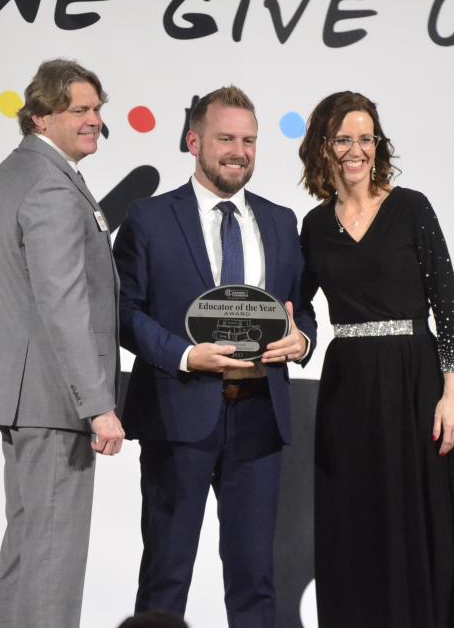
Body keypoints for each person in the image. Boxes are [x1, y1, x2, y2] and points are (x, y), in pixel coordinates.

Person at [113, 85, 315, 628]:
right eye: (226, 138)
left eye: (249, 140)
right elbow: (123, 312)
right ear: (194, 141)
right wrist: (183, 356)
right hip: (178, 416)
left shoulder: (279, 221)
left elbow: (302, 310)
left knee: (255, 579)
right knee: (165, 576)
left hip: (258, 416)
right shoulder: (148, 218)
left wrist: (303, 342)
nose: (239, 151)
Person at [297, 91, 454, 627]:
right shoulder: (314, 227)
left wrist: (453, 395)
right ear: (323, 147)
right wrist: (296, 340)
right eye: (344, 139)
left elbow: (446, 309)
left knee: (417, 513)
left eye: (366, 138)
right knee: (355, 515)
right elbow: (302, 311)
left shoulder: (411, 208)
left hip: (415, 381)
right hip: (348, 388)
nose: (356, 150)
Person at [0, 58, 125, 628]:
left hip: (23, 398)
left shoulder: (15, 172)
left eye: (96, 109)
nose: (94, 121)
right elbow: (63, 305)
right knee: (52, 558)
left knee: (27, 549)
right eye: (79, 110)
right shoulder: (51, 185)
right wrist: (98, 404)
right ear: (41, 118)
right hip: (56, 403)